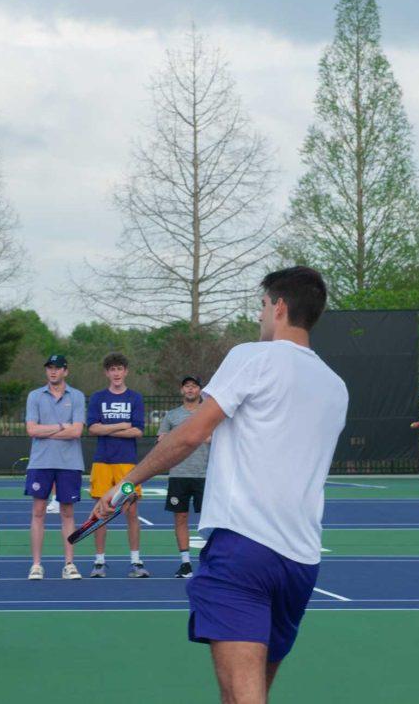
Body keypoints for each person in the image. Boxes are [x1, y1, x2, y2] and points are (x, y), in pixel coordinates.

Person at [92, 266, 348, 703]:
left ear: (280, 307)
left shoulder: (252, 356)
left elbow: (192, 433)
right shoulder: (335, 386)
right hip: (301, 561)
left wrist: (127, 486)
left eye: (263, 306)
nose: (261, 316)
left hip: (243, 551)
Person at [24, 353, 86, 581]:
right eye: (50, 367)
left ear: (65, 371)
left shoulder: (77, 396)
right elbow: (32, 430)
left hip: (69, 463)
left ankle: (69, 564)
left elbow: (77, 431)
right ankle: (36, 565)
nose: (53, 371)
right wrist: (61, 427)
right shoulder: (35, 396)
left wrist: (46, 430)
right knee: (38, 512)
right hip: (41, 462)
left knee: (67, 514)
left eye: (58, 368)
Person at [86, 352, 148, 578]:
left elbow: (138, 431)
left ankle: (135, 561)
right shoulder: (97, 398)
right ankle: (100, 562)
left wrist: (108, 427)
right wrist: (122, 424)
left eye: (120, 369)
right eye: (112, 369)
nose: (116, 373)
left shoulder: (135, 398)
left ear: (126, 371)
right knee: (101, 512)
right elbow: (92, 428)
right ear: (107, 373)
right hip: (102, 463)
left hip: (127, 465)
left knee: (130, 511)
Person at [158, 375, 209, 578]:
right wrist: (189, 438)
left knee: (209, 521)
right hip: (179, 474)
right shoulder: (172, 416)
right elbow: (162, 439)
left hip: (204, 474)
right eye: (187, 386)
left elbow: (215, 437)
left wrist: (182, 438)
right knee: (180, 517)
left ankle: (210, 563)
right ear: (182, 390)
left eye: (194, 386)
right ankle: (186, 564)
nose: (190, 389)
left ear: (199, 390)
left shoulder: (207, 413)